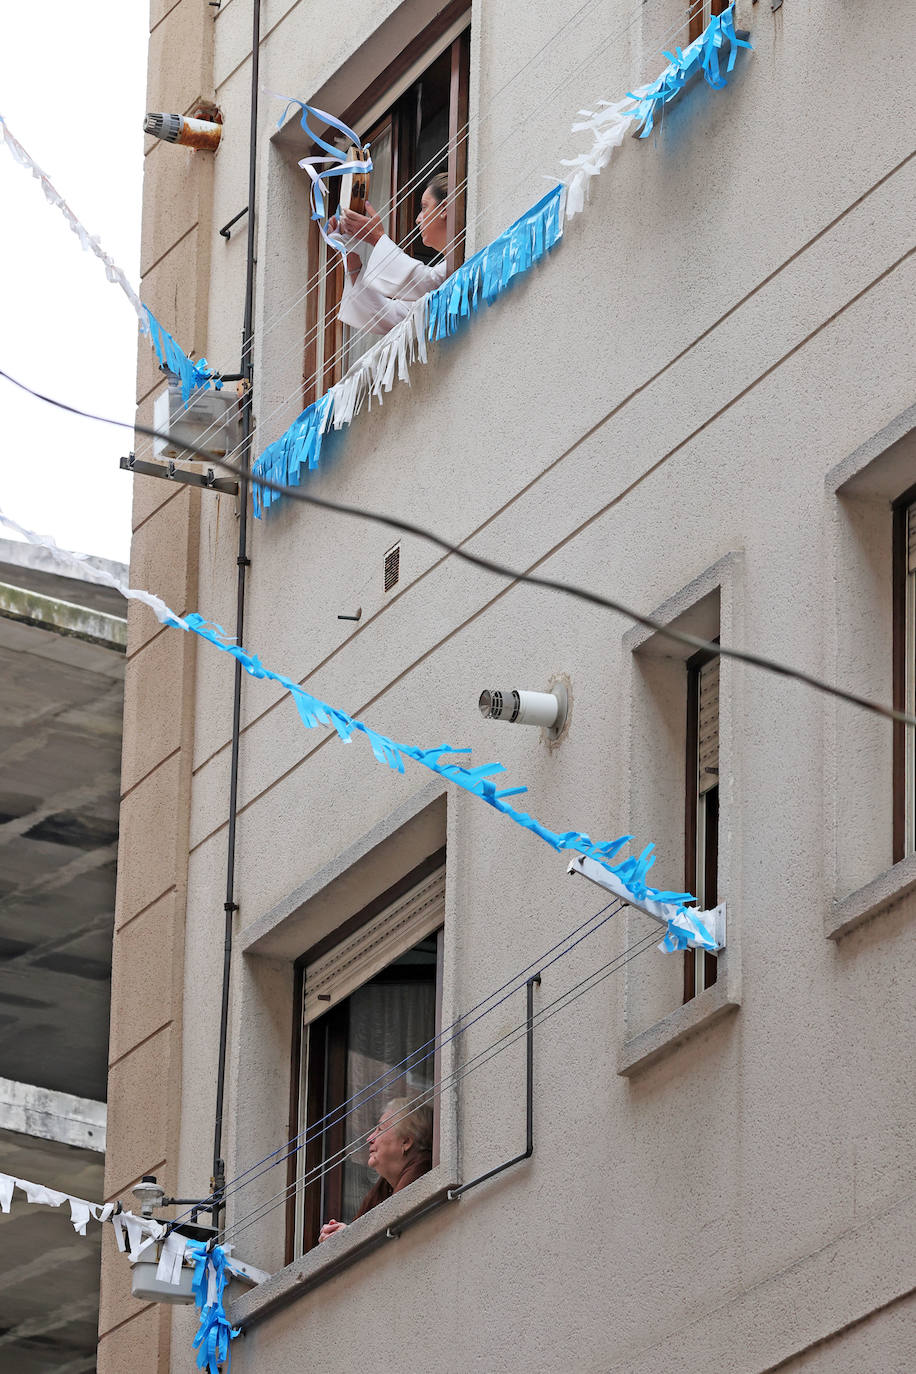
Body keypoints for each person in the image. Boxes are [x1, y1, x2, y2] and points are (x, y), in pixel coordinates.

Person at [330, 173, 451, 338]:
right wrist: (350, 252)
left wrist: (377, 238)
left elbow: (427, 284)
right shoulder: (444, 269)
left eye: (424, 207)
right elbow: (388, 316)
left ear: (444, 209)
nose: (417, 219)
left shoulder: (458, 263)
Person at [317, 1099, 433, 1243]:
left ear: (406, 1142)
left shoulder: (422, 1172)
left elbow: (389, 1233)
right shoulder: (385, 1186)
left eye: (380, 1129)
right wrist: (341, 1235)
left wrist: (347, 1237)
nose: (370, 1138)